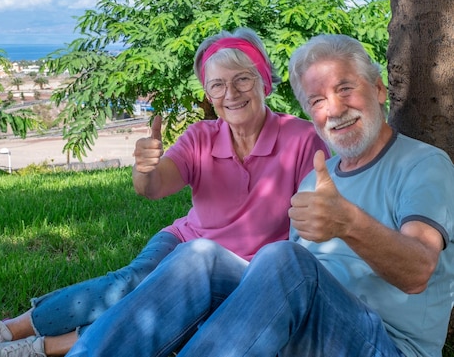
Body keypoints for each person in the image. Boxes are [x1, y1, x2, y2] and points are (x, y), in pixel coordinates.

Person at [0, 27, 329, 357]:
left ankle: (43, 348)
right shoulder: (201, 137)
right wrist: (145, 168)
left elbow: (314, 233)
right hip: (185, 243)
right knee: (129, 284)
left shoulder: (301, 139)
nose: (231, 93)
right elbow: (153, 187)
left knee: (169, 314)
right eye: (217, 84)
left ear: (263, 80)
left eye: (242, 79)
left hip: (246, 271)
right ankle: (7, 331)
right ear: (209, 93)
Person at [65, 34, 454, 357]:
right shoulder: (321, 176)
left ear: (379, 88)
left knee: (286, 260)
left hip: (384, 345)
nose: (334, 109)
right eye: (317, 100)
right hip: (303, 333)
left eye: (345, 89)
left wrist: (348, 222)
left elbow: (419, 271)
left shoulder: (422, 164)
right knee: (199, 256)